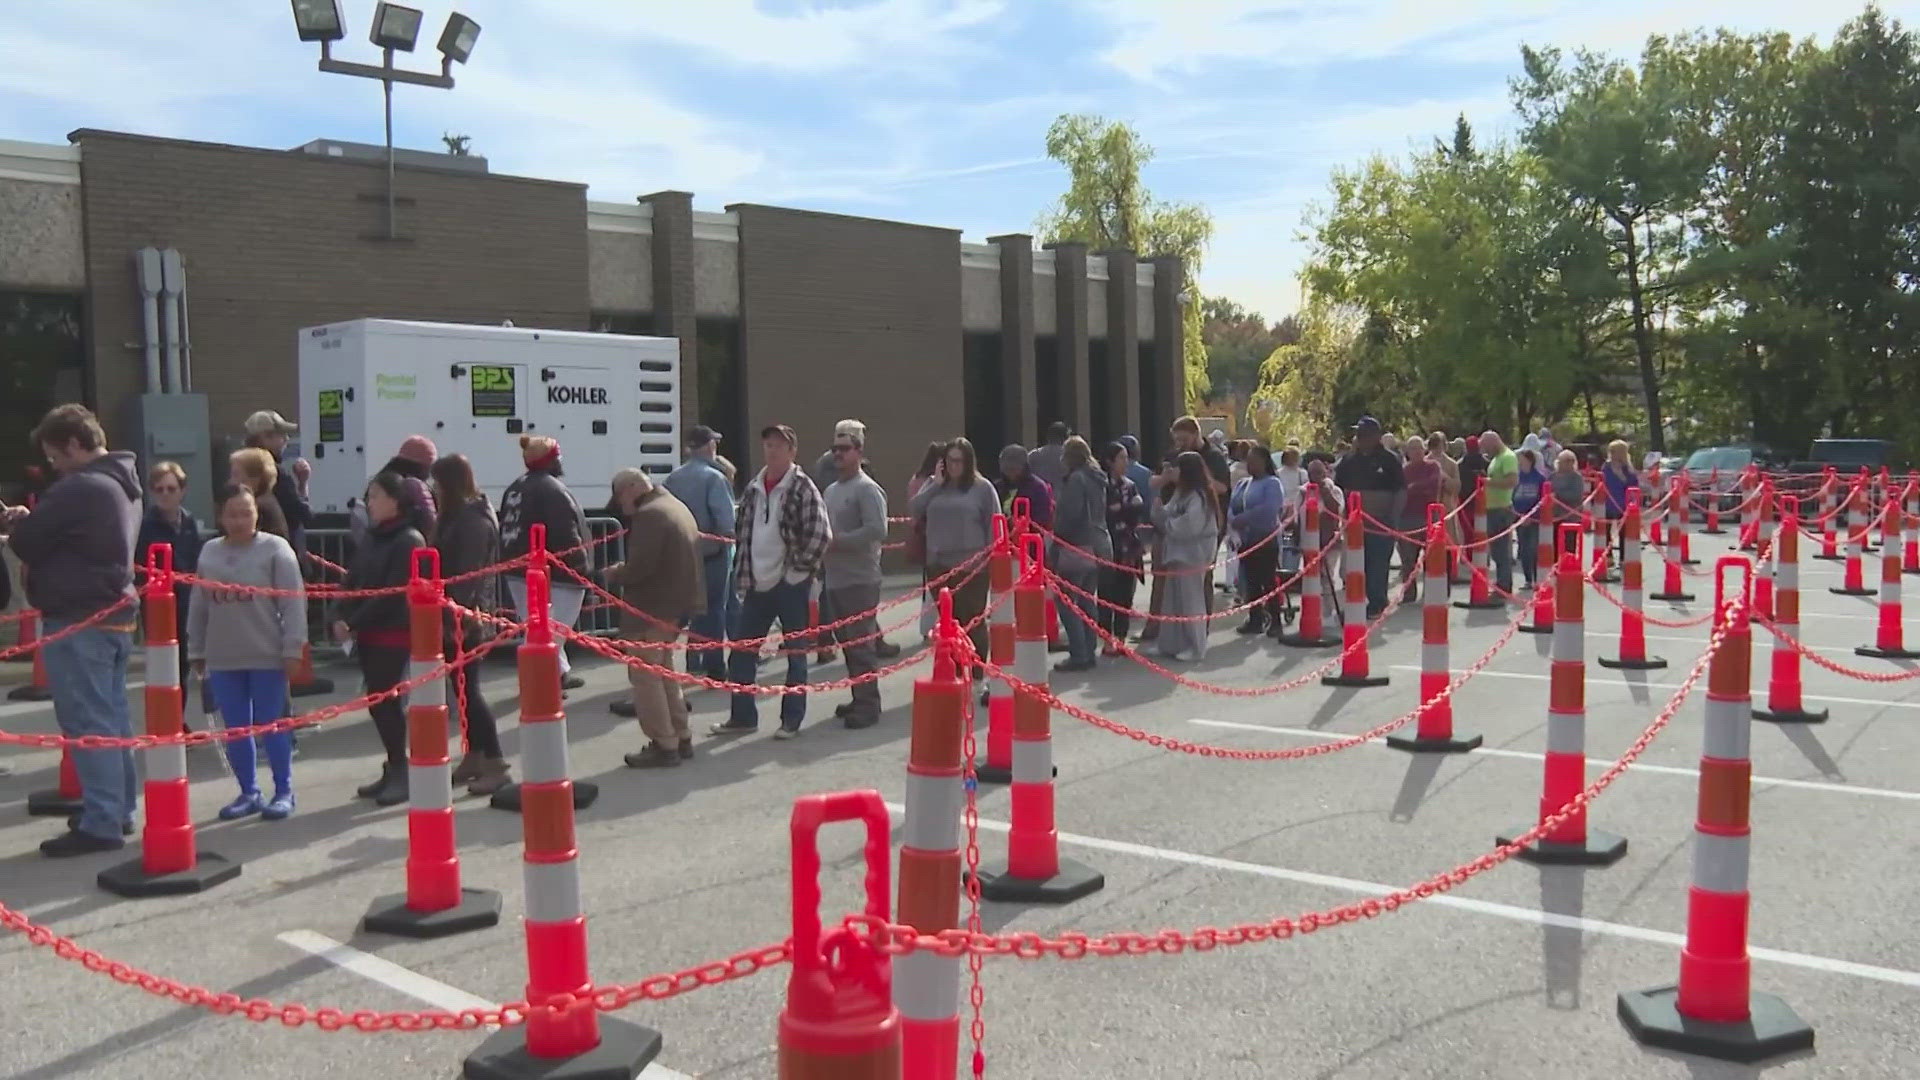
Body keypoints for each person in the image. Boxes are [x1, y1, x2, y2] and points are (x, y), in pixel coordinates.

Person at [2, 405, 143, 856]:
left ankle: (102, 820)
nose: (53, 467)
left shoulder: (80, 487)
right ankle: (116, 808)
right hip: (112, 613)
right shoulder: (121, 483)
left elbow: (28, 541)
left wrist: (21, 523)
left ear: (76, 445)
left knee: (89, 723)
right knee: (112, 718)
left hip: (79, 618)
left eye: (55, 457)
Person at [190, 484, 305, 821]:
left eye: (246, 512)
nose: (240, 520)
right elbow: (199, 604)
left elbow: (293, 601)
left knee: (273, 725)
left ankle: (284, 790)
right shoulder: (209, 551)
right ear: (220, 516)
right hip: (224, 656)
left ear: (257, 512)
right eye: (232, 514)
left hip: (267, 653)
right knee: (236, 729)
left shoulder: (275, 549)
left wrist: (293, 647)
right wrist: (196, 648)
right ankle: (248, 790)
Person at [715, 424, 831, 738]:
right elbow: (744, 533)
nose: (773, 450)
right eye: (768, 445)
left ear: (792, 451)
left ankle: (790, 720)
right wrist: (744, 576)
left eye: (780, 445)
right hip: (757, 584)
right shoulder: (754, 488)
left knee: (795, 654)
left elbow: (821, 534)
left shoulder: (803, 487)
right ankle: (743, 717)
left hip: (790, 585)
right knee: (741, 652)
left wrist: (796, 574)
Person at [332, 472, 428, 807]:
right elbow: (354, 577)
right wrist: (339, 612)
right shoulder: (374, 537)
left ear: (395, 499)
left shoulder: (409, 540)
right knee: (378, 704)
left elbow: (393, 593)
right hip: (369, 631)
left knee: (387, 703)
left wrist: (354, 622)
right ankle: (394, 764)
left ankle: (403, 770)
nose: (369, 503)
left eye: (375, 496)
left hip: (393, 632)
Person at [605, 468, 702, 767]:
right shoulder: (674, 505)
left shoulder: (650, 515)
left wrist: (615, 572)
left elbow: (640, 567)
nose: (622, 505)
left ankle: (664, 743)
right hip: (674, 608)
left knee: (646, 678)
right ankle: (680, 735)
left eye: (621, 496)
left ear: (633, 488)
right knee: (665, 676)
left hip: (651, 609)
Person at [429, 454, 511, 796]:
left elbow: (468, 574)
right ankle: (475, 754)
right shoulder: (458, 516)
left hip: (466, 617)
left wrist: (454, 614)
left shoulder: (472, 521)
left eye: (437, 482)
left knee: (470, 691)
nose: (433, 488)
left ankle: (495, 761)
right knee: (463, 691)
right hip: (458, 613)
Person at [499, 435, 590, 690]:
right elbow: (565, 533)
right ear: (550, 460)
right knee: (553, 632)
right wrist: (582, 569)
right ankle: (543, 683)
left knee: (537, 626)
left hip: (518, 568)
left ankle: (557, 673)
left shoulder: (515, 487)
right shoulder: (552, 490)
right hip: (555, 572)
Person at [909, 436, 999, 673]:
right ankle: (958, 668)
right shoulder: (934, 484)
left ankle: (978, 669)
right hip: (938, 563)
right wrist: (936, 484)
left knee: (973, 620)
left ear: (968, 463)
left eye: (959, 461)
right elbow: (915, 509)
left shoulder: (982, 488)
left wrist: (990, 559)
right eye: (950, 461)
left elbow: (993, 524)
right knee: (950, 622)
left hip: (971, 565)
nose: (954, 466)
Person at [820, 423, 889, 724]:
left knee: (861, 645)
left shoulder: (867, 489)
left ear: (859, 452)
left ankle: (868, 705)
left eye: (845, 449)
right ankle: (858, 696)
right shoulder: (831, 490)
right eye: (835, 449)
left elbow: (877, 530)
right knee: (847, 644)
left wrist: (839, 541)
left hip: (860, 579)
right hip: (834, 578)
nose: (838, 454)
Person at [136, 461, 209, 731]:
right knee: (164, 664)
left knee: (184, 664)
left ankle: (178, 718)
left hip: (188, 600)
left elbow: (195, 559)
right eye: (159, 489)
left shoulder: (189, 522)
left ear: (182, 490)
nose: (165, 494)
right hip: (158, 604)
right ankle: (167, 720)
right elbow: (140, 567)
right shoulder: (146, 526)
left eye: (171, 488)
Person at [664, 425, 737, 681]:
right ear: (709, 446)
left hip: (682, 555)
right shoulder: (714, 478)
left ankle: (681, 659)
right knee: (715, 609)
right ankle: (715, 667)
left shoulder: (673, 478)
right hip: (712, 555)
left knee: (686, 610)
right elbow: (725, 522)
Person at [1333, 416, 1406, 618]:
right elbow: (1339, 489)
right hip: (1356, 523)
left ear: (1376, 436)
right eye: (1359, 434)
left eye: (1365, 434)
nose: (1360, 437)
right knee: (1357, 565)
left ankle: (1377, 603)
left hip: (1381, 521)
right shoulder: (1349, 461)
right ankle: (1357, 601)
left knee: (1378, 564)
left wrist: (1394, 519)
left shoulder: (1389, 459)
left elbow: (1400, 490)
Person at [1151, 452, 1219, 662]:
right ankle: (1171, 643)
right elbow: (1168, 513)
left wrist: (1166, 522)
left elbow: (1190, 525)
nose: (1174, 472)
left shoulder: (1199, 495)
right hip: (1177, 552)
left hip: (1193, 554)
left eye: (1178, 467)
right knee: (1173, 600)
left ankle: (1196, 646)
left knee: (1191, 600)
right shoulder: (1182, 492)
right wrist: (1159, 510)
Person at [1050, 436, 1110, 672]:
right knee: (1087, 600)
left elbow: (1070, 516)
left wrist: (1056, 537)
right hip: (1096, 544)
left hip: (1076, 546)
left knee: (1065, 601)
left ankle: (1079, 653)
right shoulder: (1097, 479)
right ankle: (1089, 649)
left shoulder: (1076, 479)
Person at [242, 409, 313, 565]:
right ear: (265, 437)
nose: (286, 439)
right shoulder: (276, 473)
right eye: (281, 434)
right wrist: (303, 483)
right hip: (282, 558)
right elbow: (302, 513)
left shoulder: (241, 469)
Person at [1228, 444, 1286, 634]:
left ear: (1264, 462)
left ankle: (1276, 620)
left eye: (1255, 461)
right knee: (1250, 581)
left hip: (1265, 539)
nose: (1250, 465)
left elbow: (1269, 509)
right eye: (1249, 461)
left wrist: (1244, 519)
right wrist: (1233, 522)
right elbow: (1232, 505)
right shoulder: (1243, 484)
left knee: (1268, 580)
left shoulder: (1272, 483)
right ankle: (1255, 619)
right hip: (1245, 541)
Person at [1096, 441, 1147, 654]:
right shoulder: (1102, 485)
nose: (1126, 462)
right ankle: (1107, 641)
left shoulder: (1130, 484)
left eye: (1127, 458)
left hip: (1129, 546)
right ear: (1109, 461)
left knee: (1125, 595)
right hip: (1109, 544)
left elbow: (1137, 508)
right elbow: (1106, 513)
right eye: (1121, 458)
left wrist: (1124, 508)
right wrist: (1125, 509)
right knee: (1107, 595)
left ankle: (1121, 638)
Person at [1396, 435, 1442, 603]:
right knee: (1407, 560)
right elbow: (1401, 492)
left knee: (1432, 558)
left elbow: (1432, 486)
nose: (1416, 452)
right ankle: (1409, 594)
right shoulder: (1404, 470)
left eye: (1418, 448)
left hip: (1429, 518)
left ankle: (1432, 593)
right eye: (1412, 449)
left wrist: (1413, 488)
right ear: (1407, 452)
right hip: (1407, 518)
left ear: (1425, 450)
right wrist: (1414, 490)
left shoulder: (1433, 467)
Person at [907, 441, 945, 641]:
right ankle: (930, 626)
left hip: (920, 536)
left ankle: (927, 627)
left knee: (928, 585)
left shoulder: (916, 479)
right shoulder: (930, 483)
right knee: (933, 586)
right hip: (928, 535)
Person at [1480, 430, 1521, 593]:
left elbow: (1512, 481)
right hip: (1493, 507)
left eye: (1486, 447)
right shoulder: (1496, 459)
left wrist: (1489, 482)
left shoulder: (1507, 457)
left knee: (1502, 550)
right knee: (1497, 550)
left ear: (1494, 442)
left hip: (1501, 508)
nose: (1485, 451)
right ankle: (1501, 582)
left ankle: (1504, 585)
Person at [228, 447, 292, 541]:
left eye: (236, 475)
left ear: (255, 478)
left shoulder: (258, 507)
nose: (231, 481)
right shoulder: (268, 501)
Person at [1512, 447, 1547, 589]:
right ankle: (1528, 579)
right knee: (1523, 550)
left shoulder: (1539, 478)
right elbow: (1512, 496)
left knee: (1533, 548)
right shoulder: (1517, 477)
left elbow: (1542, 500)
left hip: (1534, 519)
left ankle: (1536, 577)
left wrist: (1531, 516)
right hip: (1519, 517)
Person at [1549, 449, 1586, 553]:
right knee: (1555, 546)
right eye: (1566, 460)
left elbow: (1576, 495)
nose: (1569, 463)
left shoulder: (1576, 478)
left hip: (1571, 518)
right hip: (1555, 517)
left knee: (1569, 547)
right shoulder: (1552, 476)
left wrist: (1557, 495)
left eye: (1571, 460)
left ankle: (1569, 565)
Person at [1027, 421, 1070, 492]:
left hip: (1041, 494)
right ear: (1065, 437)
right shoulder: (1069, 455)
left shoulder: (1035, 454)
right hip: (1063, 496)